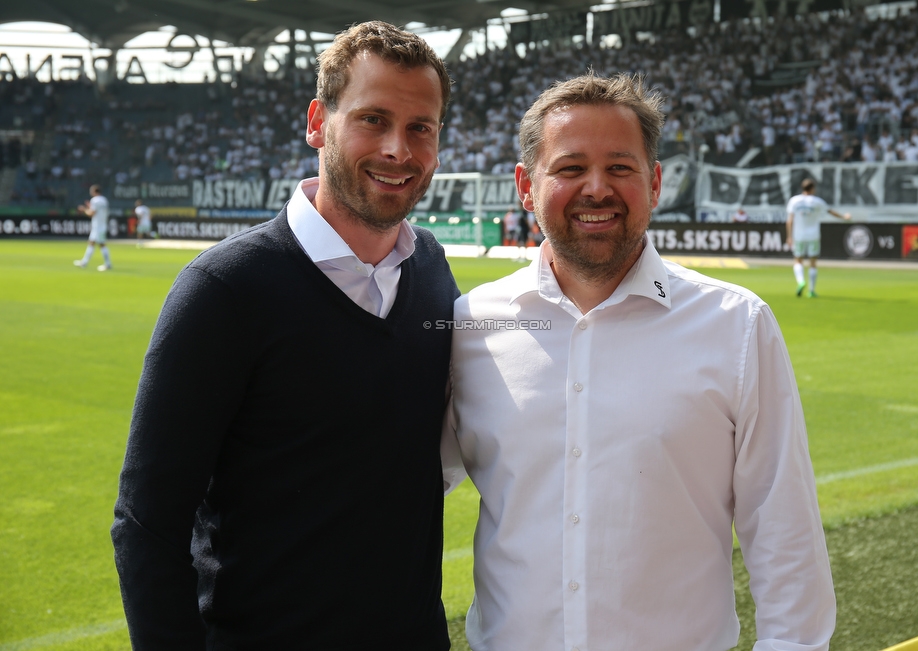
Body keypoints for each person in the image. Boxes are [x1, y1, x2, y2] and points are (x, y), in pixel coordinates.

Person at [445, 73, 836, 651]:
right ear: (527, 186)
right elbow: (402, 495)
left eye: (620, 168)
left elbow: (784, 533)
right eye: (571, 168)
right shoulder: (471, 325)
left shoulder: (737, 324)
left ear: (654, 182)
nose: (597, 188)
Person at [111, 21, 458, 650]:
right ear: (317, 122)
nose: (398, 150)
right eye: (373, 119)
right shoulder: (224, 288)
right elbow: (146, 524)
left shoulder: (431, 270)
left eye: (420, 128)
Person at [786, 177, 851, 298]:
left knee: (798, 260)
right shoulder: (817, 201)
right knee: (813, 262)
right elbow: (831, 212)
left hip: (799, 235)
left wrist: (789, 236)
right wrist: (844, 217)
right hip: (813, 235)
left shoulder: (794, 201)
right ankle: (811, 290)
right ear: (812, 188)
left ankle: (800, 281)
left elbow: (789, 221)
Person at [73, 184, 112, 271]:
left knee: (102, 245)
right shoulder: (104, 200)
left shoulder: (95, 200)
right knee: (92, 243)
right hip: (102, 224)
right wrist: (89, 208)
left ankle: (108, 264)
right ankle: (84, 262)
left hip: (97, 226)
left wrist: (84, 209)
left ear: (94, 191)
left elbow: (91, 213)